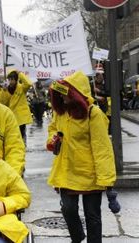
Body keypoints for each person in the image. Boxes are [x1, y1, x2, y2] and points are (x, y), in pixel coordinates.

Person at [46, 71, 116, 243]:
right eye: (60, 94)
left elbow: (102, 149)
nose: (62, 98)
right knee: (68, 210)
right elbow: (53, 129)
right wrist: (52, 139)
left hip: (90, 174)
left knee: (93, 216)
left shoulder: (94, 114)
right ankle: (77, 238)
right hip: (66, 171)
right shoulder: (60, 112)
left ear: (76, 94)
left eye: (66, 93)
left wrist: (106, 181)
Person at [0, 70, 33, 143]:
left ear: (16, 80)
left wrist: (20, 74)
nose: (11, 81)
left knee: (21, 132)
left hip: (21, 117)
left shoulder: (22, 88)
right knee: (13, 133)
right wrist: (4, 91)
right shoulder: (6, 89)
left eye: (13, 79)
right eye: (10, 79)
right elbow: (2, 102)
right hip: (12, 115)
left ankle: (22, 145)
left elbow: (29, 83)